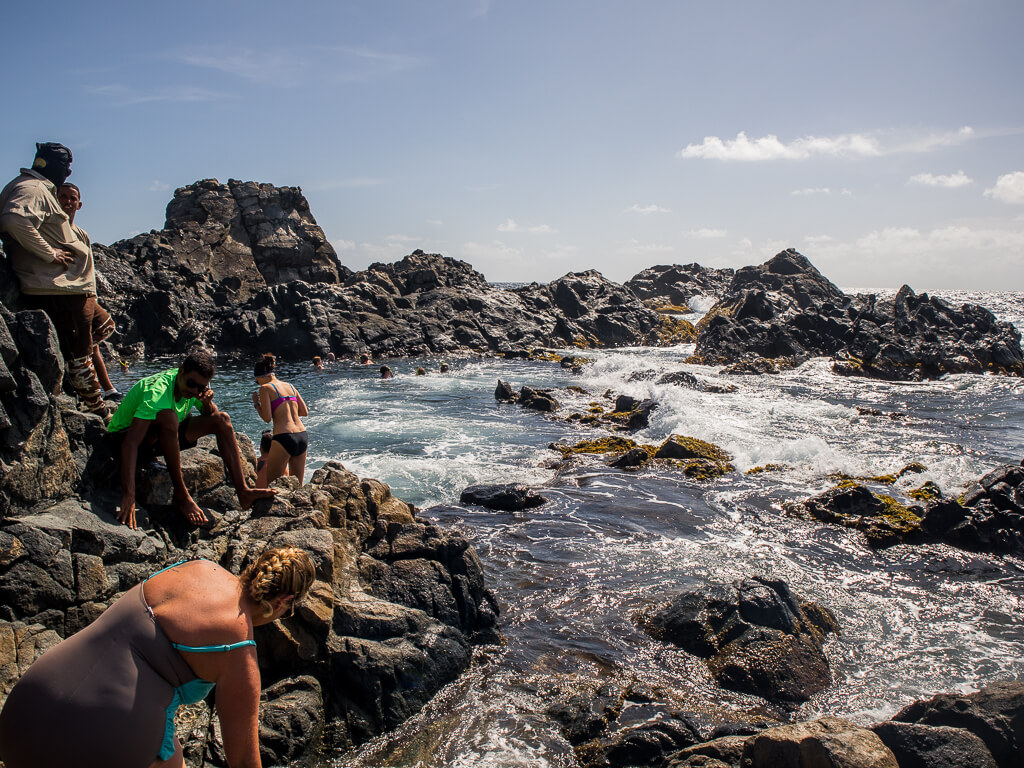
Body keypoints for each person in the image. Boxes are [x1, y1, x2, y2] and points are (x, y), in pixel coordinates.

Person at [0, 545, 316, 768]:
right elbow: (244, 762)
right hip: (98, 745)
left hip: (22, 714)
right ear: (284, 602)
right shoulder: (239, 652)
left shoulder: (198, 568)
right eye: (290, 610)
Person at [0, 143, 110, 418]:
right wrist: (49, 254)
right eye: (66, 165)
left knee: (104, 326)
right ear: (52, 166)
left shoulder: (37, 188)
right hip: (58, 289)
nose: (69, 171)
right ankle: (98, 411)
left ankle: (75, 372)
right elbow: (14, 220)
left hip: (73, 288)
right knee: (80, 357)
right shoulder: (33, 188)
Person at [108, 348, 275, 528]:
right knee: (170, 417)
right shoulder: (157, 393)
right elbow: (130, 444)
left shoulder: (192, 388)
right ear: (180, 371)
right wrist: (129, 496)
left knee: (222, 419)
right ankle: (181, 495)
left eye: (202, 387)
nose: (195, 390)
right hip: (121, 441)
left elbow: (212, 417)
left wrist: (206, 403)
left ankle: (243, 492)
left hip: (154, 439)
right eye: (191, 383)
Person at [57, 182, 122, 400]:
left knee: (104, 329)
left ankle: (106, 389)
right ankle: (96, 397)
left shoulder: (81, 234)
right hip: (66, 296)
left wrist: (92, 295)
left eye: (72, 198)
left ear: (79, 204)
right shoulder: (52, 229)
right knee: (84, 346)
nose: (68, 202)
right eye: (63, 197)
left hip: (86, 295)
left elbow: (88, 269)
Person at [251, 353, 309, 485]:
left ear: (260, 377)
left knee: (272, 485)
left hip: (284, 437)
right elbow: (304, 412)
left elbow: (267, 418)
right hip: (301, 435)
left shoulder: (265, 388)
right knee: (298, 487)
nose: (257, 383)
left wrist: (256, 404)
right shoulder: (290, 386)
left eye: (256, 380)